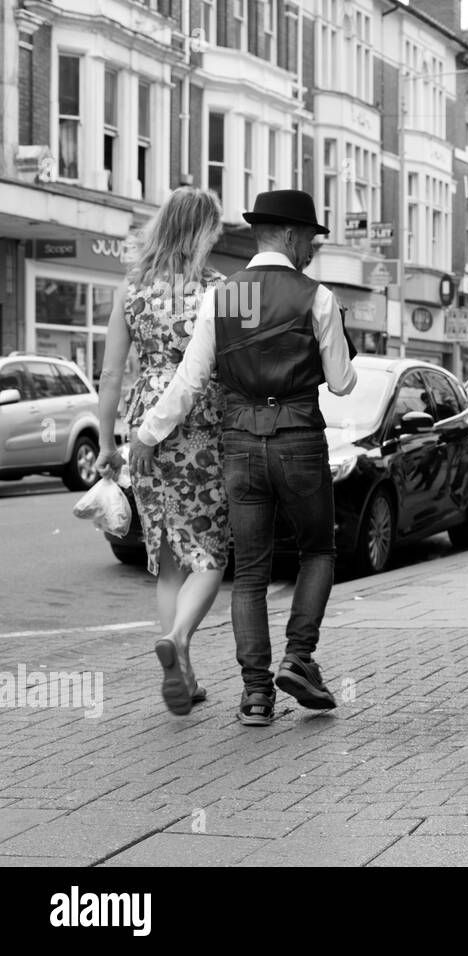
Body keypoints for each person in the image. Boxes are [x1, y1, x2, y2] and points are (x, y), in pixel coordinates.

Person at [133, 189, 357, 727]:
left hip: (239, 444)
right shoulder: (316, 296)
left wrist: (146, 434)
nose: (312, 248)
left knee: (250, 571)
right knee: (317, 552)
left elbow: (190, 381)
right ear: (288, 235)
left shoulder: (224, 298)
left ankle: (256, 695)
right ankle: (298, 657)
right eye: (309, 238)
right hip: (299, 440)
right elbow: (343, 383)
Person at [96, 186, 229, 717]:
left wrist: (107, 444)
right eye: (215, 229)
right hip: (202, 424)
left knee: (171, 559)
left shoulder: (131, 288)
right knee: (212, 553)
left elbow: (110, 374)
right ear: (202, 231)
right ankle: (178, 639)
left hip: (142, 426)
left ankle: (185, 673)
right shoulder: (221, 289)